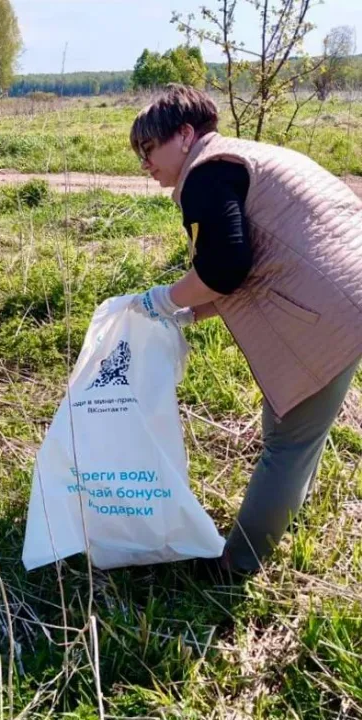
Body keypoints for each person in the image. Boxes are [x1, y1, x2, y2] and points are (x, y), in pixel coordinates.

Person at [124, 84, 362, 573]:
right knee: (301, 434)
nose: (145, 164)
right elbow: (247, 270)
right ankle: (286, 513)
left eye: (149, 150)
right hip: (348, 291)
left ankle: (237, 563)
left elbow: (224, 269)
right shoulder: (239, 156)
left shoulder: (205, 175)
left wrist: (162, 299)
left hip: (332, 309)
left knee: (287, 440)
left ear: (185, 135)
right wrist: (189, 312)